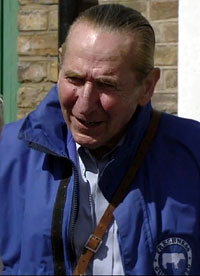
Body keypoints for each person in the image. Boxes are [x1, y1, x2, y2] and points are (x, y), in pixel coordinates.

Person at [0, 3, 200, 275]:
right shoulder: (11, 152)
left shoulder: (192, 153)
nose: (84, 104)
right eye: (74, 79)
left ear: (147, 87)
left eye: (106, 85)